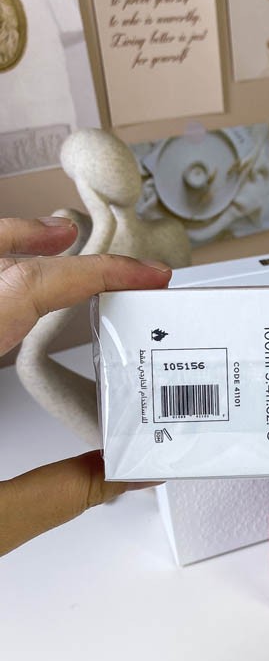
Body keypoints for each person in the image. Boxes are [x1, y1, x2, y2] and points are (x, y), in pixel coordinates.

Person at [0, 216, 172, 557]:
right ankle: (117, 459)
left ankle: (120, 457)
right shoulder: (102, 222)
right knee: (33, 367)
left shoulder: (135, 226)